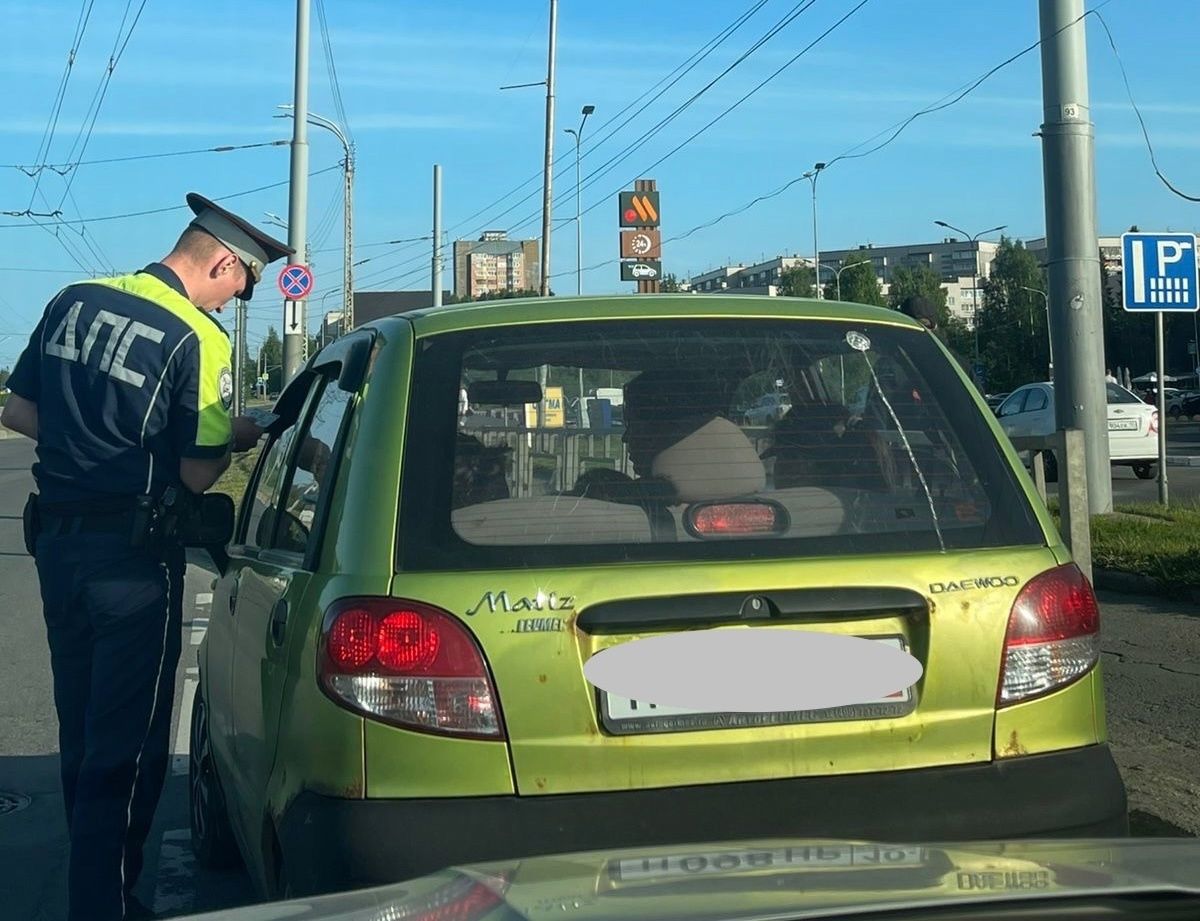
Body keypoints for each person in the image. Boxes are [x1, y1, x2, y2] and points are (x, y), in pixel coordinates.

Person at [0, 193, 293, 921]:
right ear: (224, 261)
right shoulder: (196, 338)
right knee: (127, 749)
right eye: (237, 287)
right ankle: (104, 905)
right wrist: (237, 432)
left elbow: (18, 409)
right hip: (133, 563)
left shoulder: (74, 300)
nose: (230, 304)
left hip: (59, 548)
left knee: (81, 728)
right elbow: (197, 472)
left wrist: (86, 449)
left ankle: (93, 886)